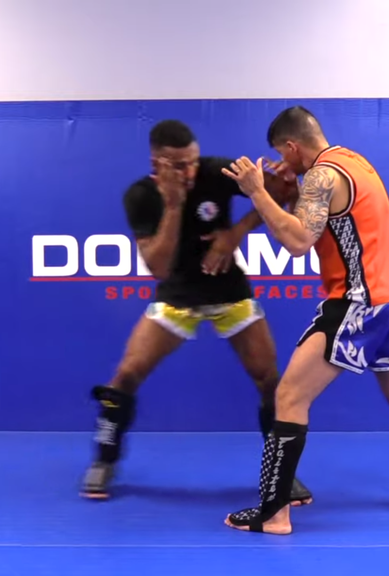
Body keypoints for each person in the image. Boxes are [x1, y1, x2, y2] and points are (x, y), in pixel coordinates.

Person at [218, 106, 389, 535]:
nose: (281, 161)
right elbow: (324, 222)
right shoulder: (352, 161)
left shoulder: (321, 175)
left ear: (292, 146)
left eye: (281, 153)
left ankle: (274, 514)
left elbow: (299, 240)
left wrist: (257, 191)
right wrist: (290, 190)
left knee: (289, 396)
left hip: (359, 303)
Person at [80, 119, 313, 506]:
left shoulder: (214, 170)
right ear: (157, 163)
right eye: (179, 165)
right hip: (177, 296)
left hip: (229, 292)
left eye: (193, 161)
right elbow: (158, 267)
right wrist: (174, 205)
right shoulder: (140, 196)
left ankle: (281, 473)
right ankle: (104, 459)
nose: (190, 171)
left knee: (270, 380)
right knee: (126, 375)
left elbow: (280, 191)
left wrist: (236, 232)